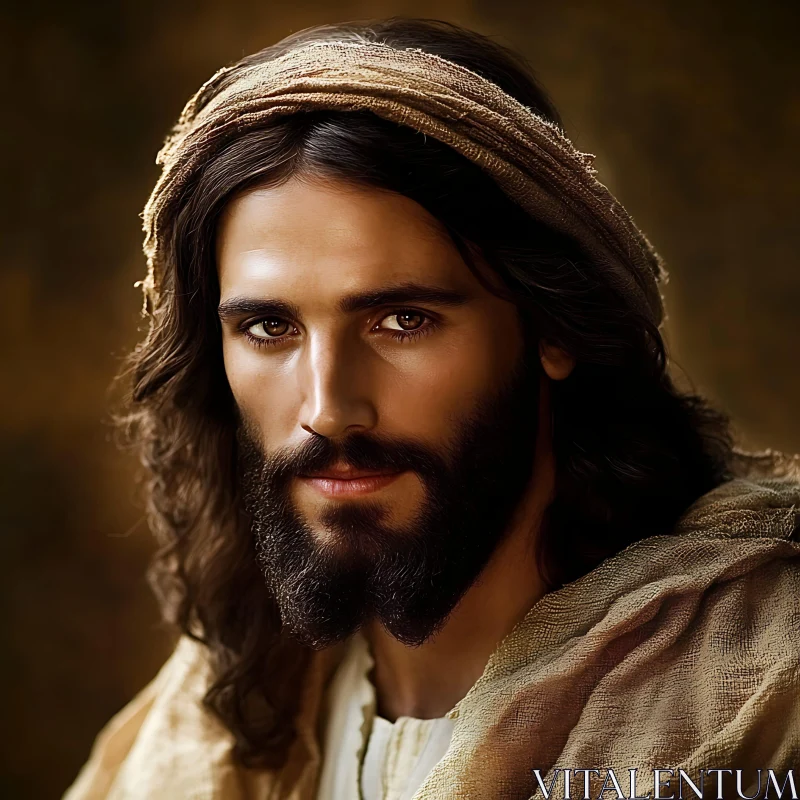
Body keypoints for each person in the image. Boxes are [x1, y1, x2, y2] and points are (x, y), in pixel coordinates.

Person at [64, 17, 800, 800]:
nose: (327, 410)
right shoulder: (215, 718)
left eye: (402, 321)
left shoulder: (764, 690)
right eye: (269, 327)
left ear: (552, 325)